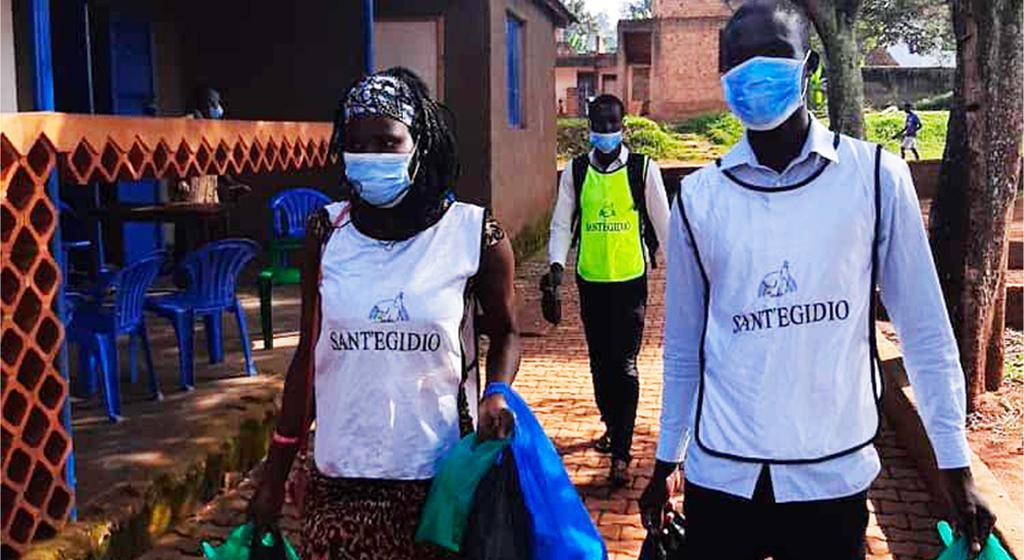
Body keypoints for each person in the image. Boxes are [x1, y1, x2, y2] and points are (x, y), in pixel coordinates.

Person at [639, 1, 995, 558]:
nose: (754, 71)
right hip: (723, 474)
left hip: (830, 477)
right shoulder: (700, 201)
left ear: (810, 68)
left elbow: (924, 330)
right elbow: (684, 348)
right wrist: (668, 459)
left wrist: (954, 461)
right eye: (738, 60)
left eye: (774, 55)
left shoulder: (876, 179)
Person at [247, 68, 521, 560]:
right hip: (338, 483)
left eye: (387, 142)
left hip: (437, 481)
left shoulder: (474, 234)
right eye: (357, 144)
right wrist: (276, 473)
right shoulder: (326, 233)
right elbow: (309, 359)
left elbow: (504, 332)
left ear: (419, 144)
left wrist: (497, 394)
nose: (371, 156)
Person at [543, 94, 670, 486]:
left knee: (625, 363)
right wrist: (555, 270)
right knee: (600, 362)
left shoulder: (643, 170)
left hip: (630, 281)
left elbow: (664, 225)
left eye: (612, 126)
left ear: (624, 127)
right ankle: (612, 425)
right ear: (589, 129)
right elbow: (562, 223)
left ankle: (621, 450)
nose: (606, 133)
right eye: (599, 127)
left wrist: (684, 278)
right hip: (591, 280)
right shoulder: (576, 171)